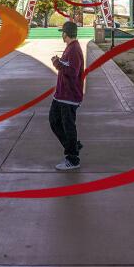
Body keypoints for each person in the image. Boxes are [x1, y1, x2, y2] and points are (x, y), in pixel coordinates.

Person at [49, 19, 85, 171]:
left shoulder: (74, 49)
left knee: (68, 126)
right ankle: (72, 145)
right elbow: (68, 66)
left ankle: (73, 158)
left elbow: (73, 71)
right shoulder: (70, 47)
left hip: (69, 96)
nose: (61, 36)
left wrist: (57, 63)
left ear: (66, 34)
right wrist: (60, 61)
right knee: (54, 121)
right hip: (61, 94)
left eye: (62, 33)